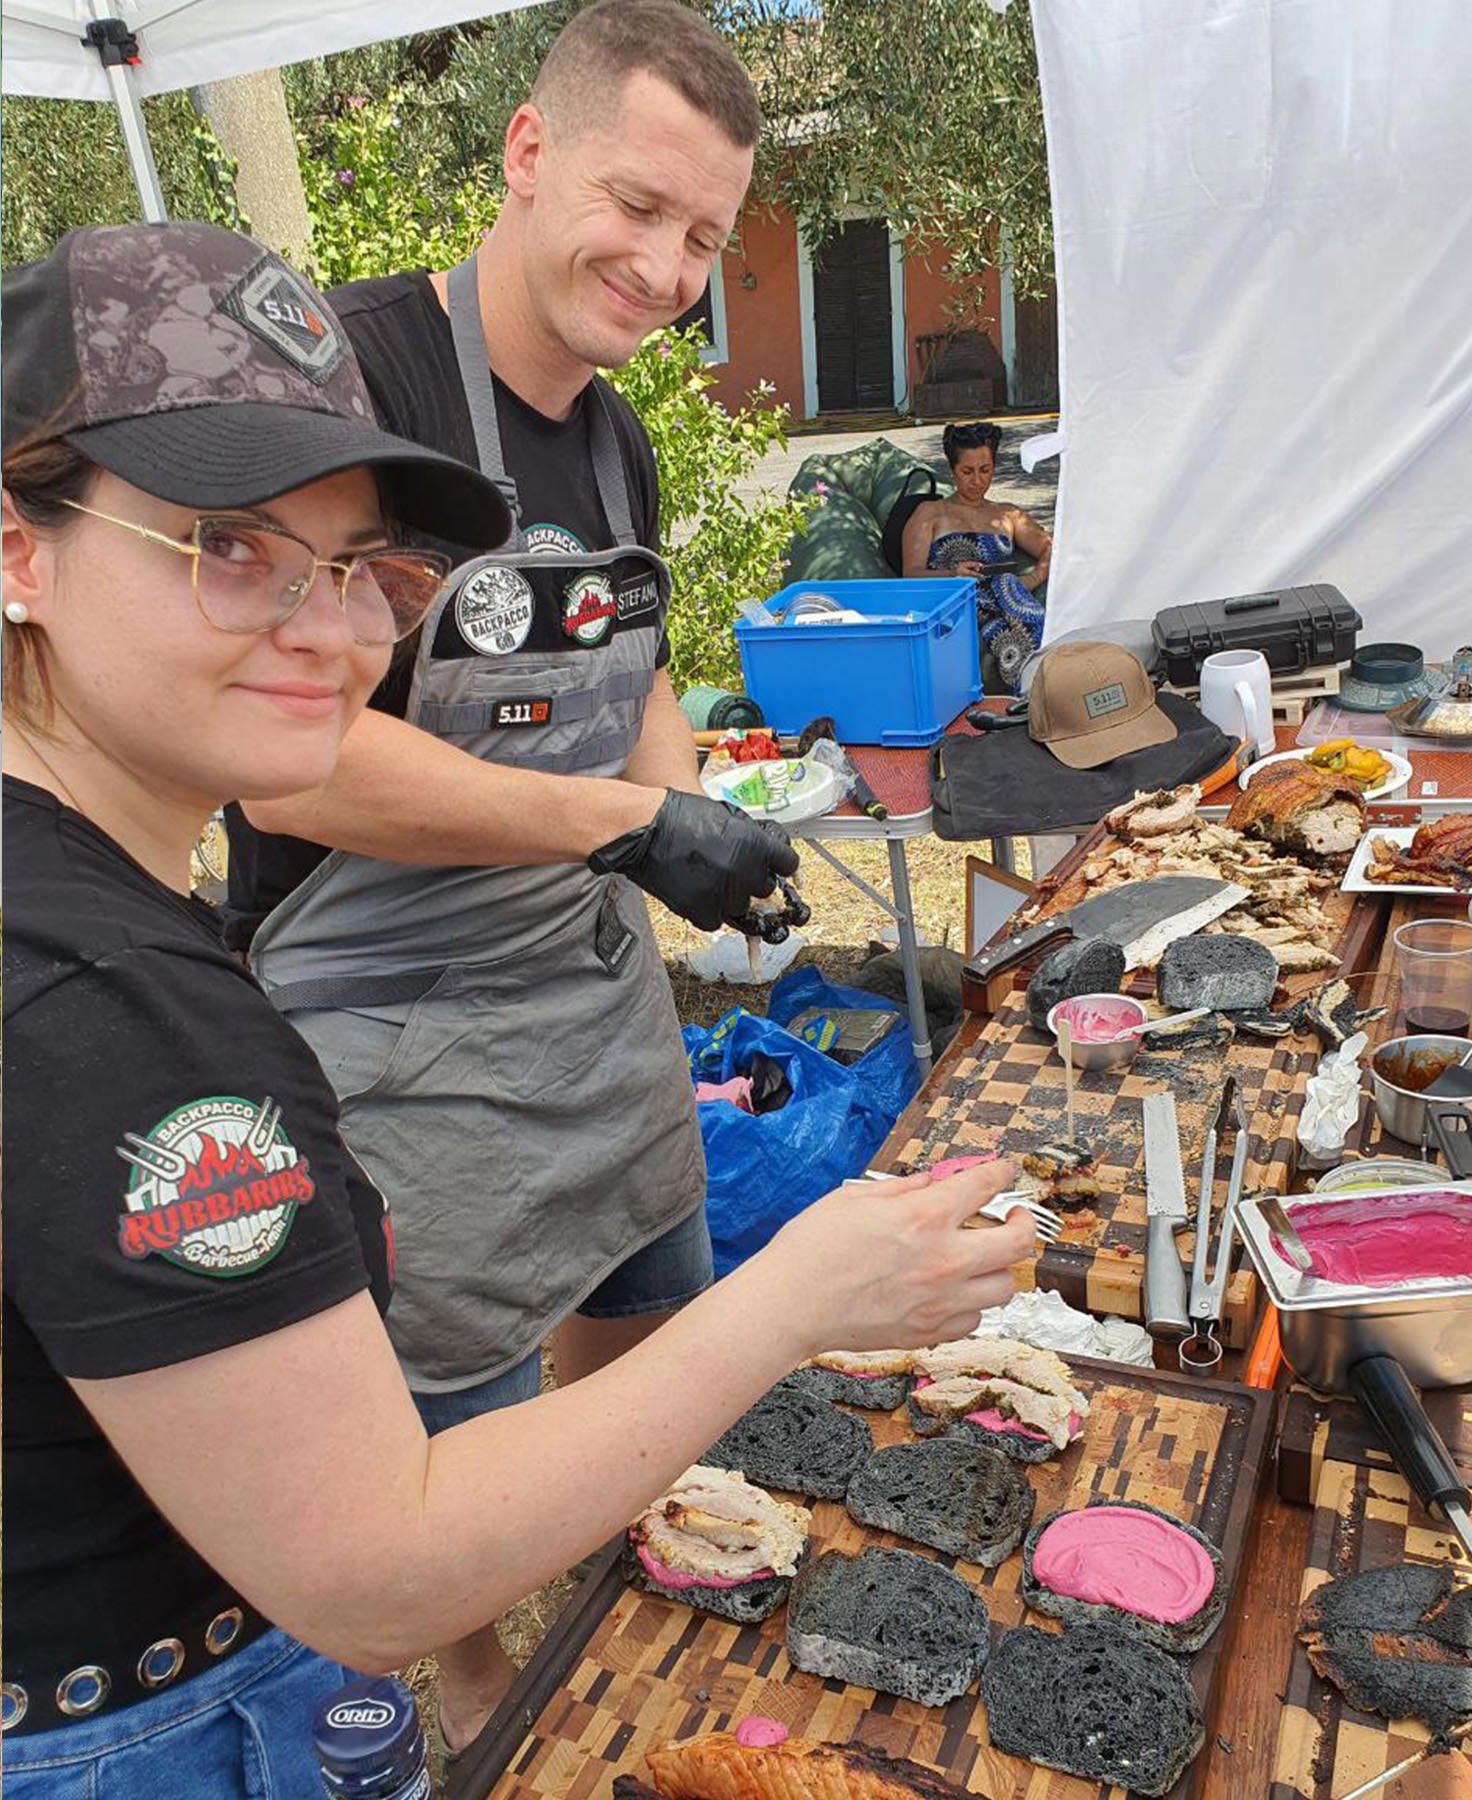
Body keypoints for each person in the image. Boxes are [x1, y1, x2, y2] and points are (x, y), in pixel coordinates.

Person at [1, 220, 1035, 1799]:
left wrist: (679, 815)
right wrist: (800, 1294)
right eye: (228, 546)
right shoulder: (126, 1022)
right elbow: (383, 1570)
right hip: (145, 1732)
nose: (337, 632)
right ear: (20, 546)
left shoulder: (84, 902)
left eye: (366, 571)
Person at [221, 0, 795, 1756]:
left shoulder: (611, 432)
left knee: (652, 1302)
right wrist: (624, 833)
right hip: (384, 1003)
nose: (668, 266)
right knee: (444, 1421)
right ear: (527, 153)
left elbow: (640, 686)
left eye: (703, 236)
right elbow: (300, 747)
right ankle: (472, 1689)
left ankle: (617, 1584)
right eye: (638, 206)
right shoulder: (355, 382)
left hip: (580, 974)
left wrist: (696, 811)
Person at [901, 420, 1053, 695]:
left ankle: (1043, 687)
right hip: (956, 604)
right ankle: (1036, 690)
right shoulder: (930, 513)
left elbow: (1050, 546)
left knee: (1006, 591)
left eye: (985, 470)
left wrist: (1033, 577)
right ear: (952, 471)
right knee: (1006, 618)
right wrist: (953, 574)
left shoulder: (1007, 514)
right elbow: (910, 574)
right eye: (967, 471)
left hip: (1006, 601)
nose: (978, 480)